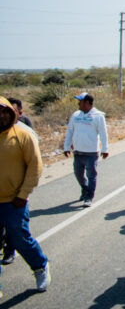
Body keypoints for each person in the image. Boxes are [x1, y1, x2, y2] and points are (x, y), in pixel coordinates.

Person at [0, 97, 50, 295]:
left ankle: (40, 267)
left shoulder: (22, 134)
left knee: (20, 238)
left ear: (12, 113)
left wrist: (24, 194)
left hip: (14, 201)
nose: (2, 116)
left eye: (5, 112)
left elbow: (35, 166)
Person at [63, 92, 108, 207]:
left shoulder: (98, 116)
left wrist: (105, 149)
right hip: (78, 151)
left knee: (91, 175)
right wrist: (66, 146)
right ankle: (85, 188)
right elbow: (70, 131)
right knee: (78, 173)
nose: (78, 104)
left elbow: (103, 133)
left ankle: (89, 196)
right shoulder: (76, 115)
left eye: (80, 101)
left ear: (87, 103)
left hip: (91, 152)